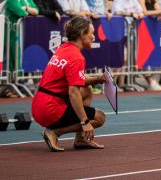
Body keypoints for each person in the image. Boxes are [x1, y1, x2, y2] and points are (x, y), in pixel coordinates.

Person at [32, 16, 106, 152]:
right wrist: (85, 122)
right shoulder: (77, 57)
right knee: (100, 117)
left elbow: (77, 79)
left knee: (87, 90)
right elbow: (73, 92)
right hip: (50, 110)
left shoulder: (64, 48)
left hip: (38, 105)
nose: (94, 37)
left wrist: (98, 78)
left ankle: (80, 139)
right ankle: (54, 133)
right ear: (82, 34)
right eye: (91, 33)